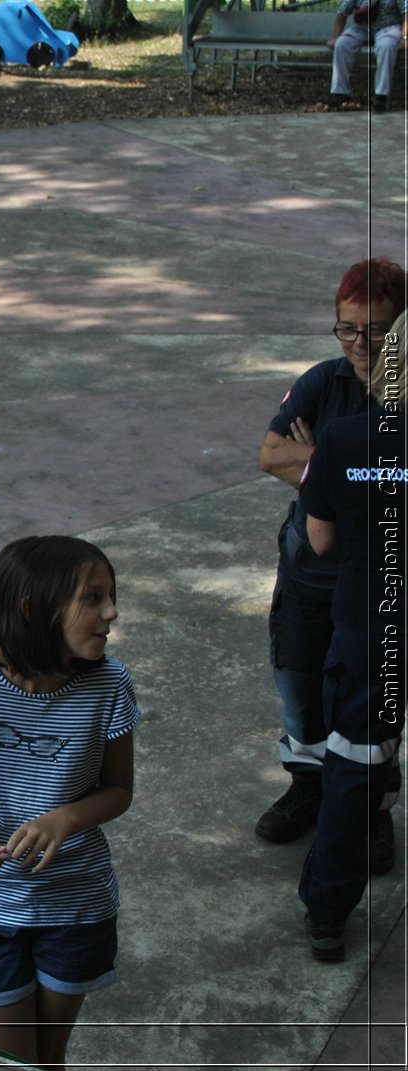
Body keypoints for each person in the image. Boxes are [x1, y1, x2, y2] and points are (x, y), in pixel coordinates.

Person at [0, 535, 138, 1071]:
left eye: (111, 596)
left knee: (46, 1059)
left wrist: (68, 817)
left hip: (75, 904)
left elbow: (118, 790)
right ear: (32, 608)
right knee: (5, 1062)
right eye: (93, 598)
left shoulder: (109, 685)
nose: (111, 613)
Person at [256, 257, 405, 860]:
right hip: (310, 574)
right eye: (348, 328)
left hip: (376, 588)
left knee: (373, 709)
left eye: (378, 329)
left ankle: (370, 808)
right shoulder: (323, 382)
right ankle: (309, 788)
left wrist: (323, 467)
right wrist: (351, 475)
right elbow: (270, 455)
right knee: (298, 686)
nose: (361, 344)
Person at [297, 312, 407, 960]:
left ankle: (328, 912)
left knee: (355, 766)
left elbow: (320, 539)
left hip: (371, 627)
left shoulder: (343, 438)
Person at [327, 0, 406, 111]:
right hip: (362, 28)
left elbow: (406, 12)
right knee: (341, 44)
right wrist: (336, 37)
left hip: (388, 29)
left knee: (386, 47)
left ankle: (381, 96)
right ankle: (340, 93)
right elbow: (342, 12)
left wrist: (404, 37)